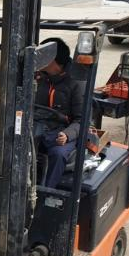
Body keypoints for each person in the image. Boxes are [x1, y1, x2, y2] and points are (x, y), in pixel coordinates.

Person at [34, 37, 84, 189]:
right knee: (13, 142)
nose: (38, 59)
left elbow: (82, 120)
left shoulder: (76, 83)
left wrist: (67, 134)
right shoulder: (37, 77)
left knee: (58, 154)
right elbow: (19, 104)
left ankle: (47, 192)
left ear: (53, 60)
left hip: (61, 131)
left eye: (43, 55)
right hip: (38, 125)